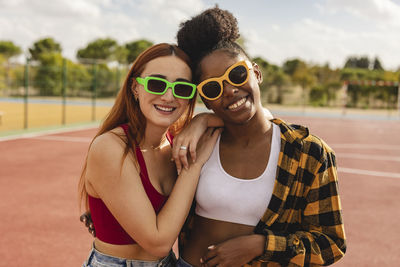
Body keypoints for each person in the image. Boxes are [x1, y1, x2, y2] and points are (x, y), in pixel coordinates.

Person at [171, 7, 346, 267]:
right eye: (212, 87)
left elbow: (330, 243)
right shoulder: (195, 142)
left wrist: (260, 245)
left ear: (257, 73)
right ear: (206, 100)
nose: (229, 90)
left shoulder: (310, 153)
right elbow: (157, 192)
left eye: (237, 74)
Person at [78, 43, 222, 267]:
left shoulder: (176, 142)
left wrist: (200, 121)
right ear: (135, 87)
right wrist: (192, 167)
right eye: (156, 84)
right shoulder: (111, 147)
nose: (168, 96)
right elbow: (158, 242)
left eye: (182, 88)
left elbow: (254, 119)